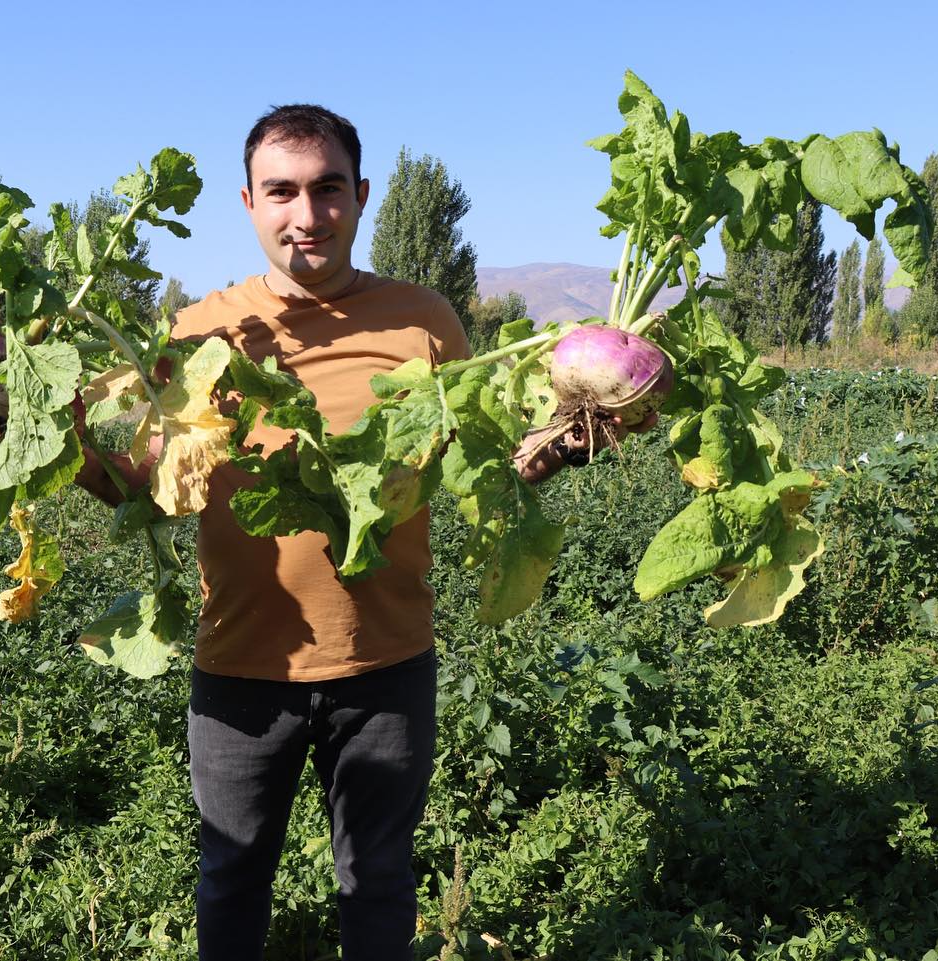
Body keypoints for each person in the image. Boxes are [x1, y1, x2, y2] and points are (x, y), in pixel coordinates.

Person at [73, 104, 637, 960]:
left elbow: (488, 463)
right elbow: (146, 491)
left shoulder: (425, 321)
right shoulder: (196, 336)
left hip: (386, 664)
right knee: (230, 877)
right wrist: (53, 440)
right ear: (249, 202)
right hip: (239, 667)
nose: (307, 214)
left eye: (328, 189)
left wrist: (572, 435)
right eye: (283, 192)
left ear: (362, 195)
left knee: (377, 878)